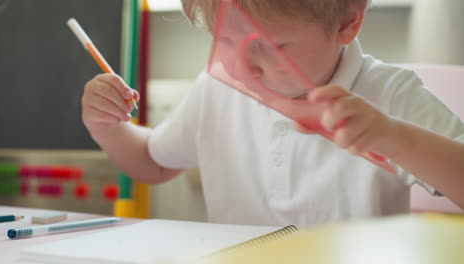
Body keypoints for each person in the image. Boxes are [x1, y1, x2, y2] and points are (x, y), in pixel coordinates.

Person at [81, 0, 464, 226]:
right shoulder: (216, 88)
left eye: (272, 46)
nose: (244, 65)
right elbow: (153, 161)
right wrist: (107, 127)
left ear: (348, 21)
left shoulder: (390, 94)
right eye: (225, 42)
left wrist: (397, 138)